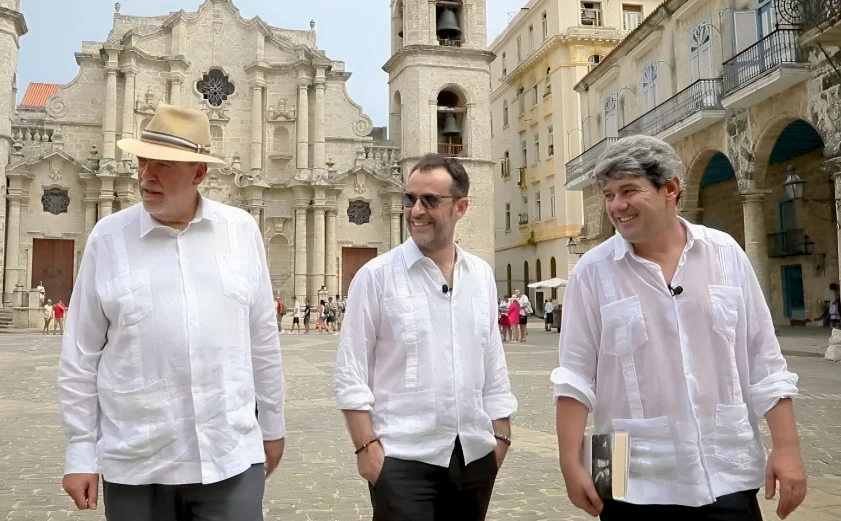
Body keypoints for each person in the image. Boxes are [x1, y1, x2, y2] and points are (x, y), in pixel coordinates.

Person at [552, 135, 806, 521]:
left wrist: (787, 449)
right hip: (624, 477)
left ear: (670, 188)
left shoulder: (725, 254)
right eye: (608, 195)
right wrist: (572, 464)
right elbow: (574, 377)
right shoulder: (591, 270)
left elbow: (764, 359)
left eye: (628, 191)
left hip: (725, 470)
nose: (616, 206)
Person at [57, 104, 286, 521]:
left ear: (198, 173)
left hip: (229, 455)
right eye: (143, 161)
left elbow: (262, 338)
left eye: (163, 165)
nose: (146, 176)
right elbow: (80, 354)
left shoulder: (241, 232)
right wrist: (80, 450)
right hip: (137, 460)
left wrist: (272, 425)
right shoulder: (108, 239)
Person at [334, 154, 518, 521]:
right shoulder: (375, 277)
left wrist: (501, 436)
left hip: (474, 459)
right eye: (409, 199)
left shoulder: (480, 274)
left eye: (430, 200)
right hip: (401, 461)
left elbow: (492, 361)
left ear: (461, 207)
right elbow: (350, 373)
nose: (416, 210)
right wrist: (366, 448)